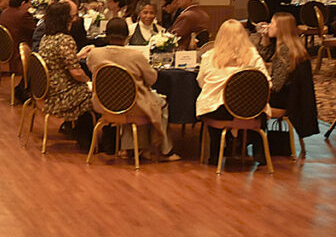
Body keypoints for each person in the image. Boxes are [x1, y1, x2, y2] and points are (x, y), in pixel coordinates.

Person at [87, 18, 178, 162]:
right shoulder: (135, 56)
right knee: (158, 103)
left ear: (106, 35)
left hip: (103, 104)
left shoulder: (94, 54)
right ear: (126, 36)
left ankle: (130, 148)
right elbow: (152, 79)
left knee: (131, 97)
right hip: (133, 105)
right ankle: (164, 150)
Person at [196, 19, 270, 162]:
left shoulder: (210, 56)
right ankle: (259, 152)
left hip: (219, 111)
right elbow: (266, 83)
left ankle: (215, 155)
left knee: (211, 105)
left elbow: (201, 82)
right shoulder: (253, 56)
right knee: (259, 111)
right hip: (250, 111)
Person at [258, 12, 319, 141]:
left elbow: (276, 85)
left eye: (272, 23)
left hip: (284, 101)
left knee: (246, 104)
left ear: (280, 28)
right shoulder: (290, 47)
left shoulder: (286, 51)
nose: (268, 26)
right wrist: (265, 37)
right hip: (290, 98)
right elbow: (264, 56)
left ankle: (251, 143)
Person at [37, 1, 92, 128]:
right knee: (98, 92)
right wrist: (89, 82)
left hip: (49, 89)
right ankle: (86, 133)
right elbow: (76, 74)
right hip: (61, 95)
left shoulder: (46, 37)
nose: (74, 20)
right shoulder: (65, 40)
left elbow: (56, 61)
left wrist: (77, 56)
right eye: (72, 17)